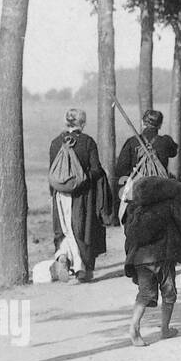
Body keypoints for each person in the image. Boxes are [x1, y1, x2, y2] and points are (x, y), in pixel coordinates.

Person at [123, 175, 181, 346]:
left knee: (144, 294)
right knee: (169, 292)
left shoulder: (135, 208)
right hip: (163, 256)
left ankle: (134, 326)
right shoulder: (169, 204)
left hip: (140, 258)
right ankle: (165, 329)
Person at [49, 108, 112, 284]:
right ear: (82, 123)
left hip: (60, 195)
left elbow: (51, 173)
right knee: (82, 229)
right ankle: (81, 268)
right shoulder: (87, 142)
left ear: (66, 122)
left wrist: (53, 194)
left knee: (64, 228)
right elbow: (96, 169)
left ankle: (62, 256)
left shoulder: (55, 143)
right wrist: (83, 180)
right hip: (82, 195)